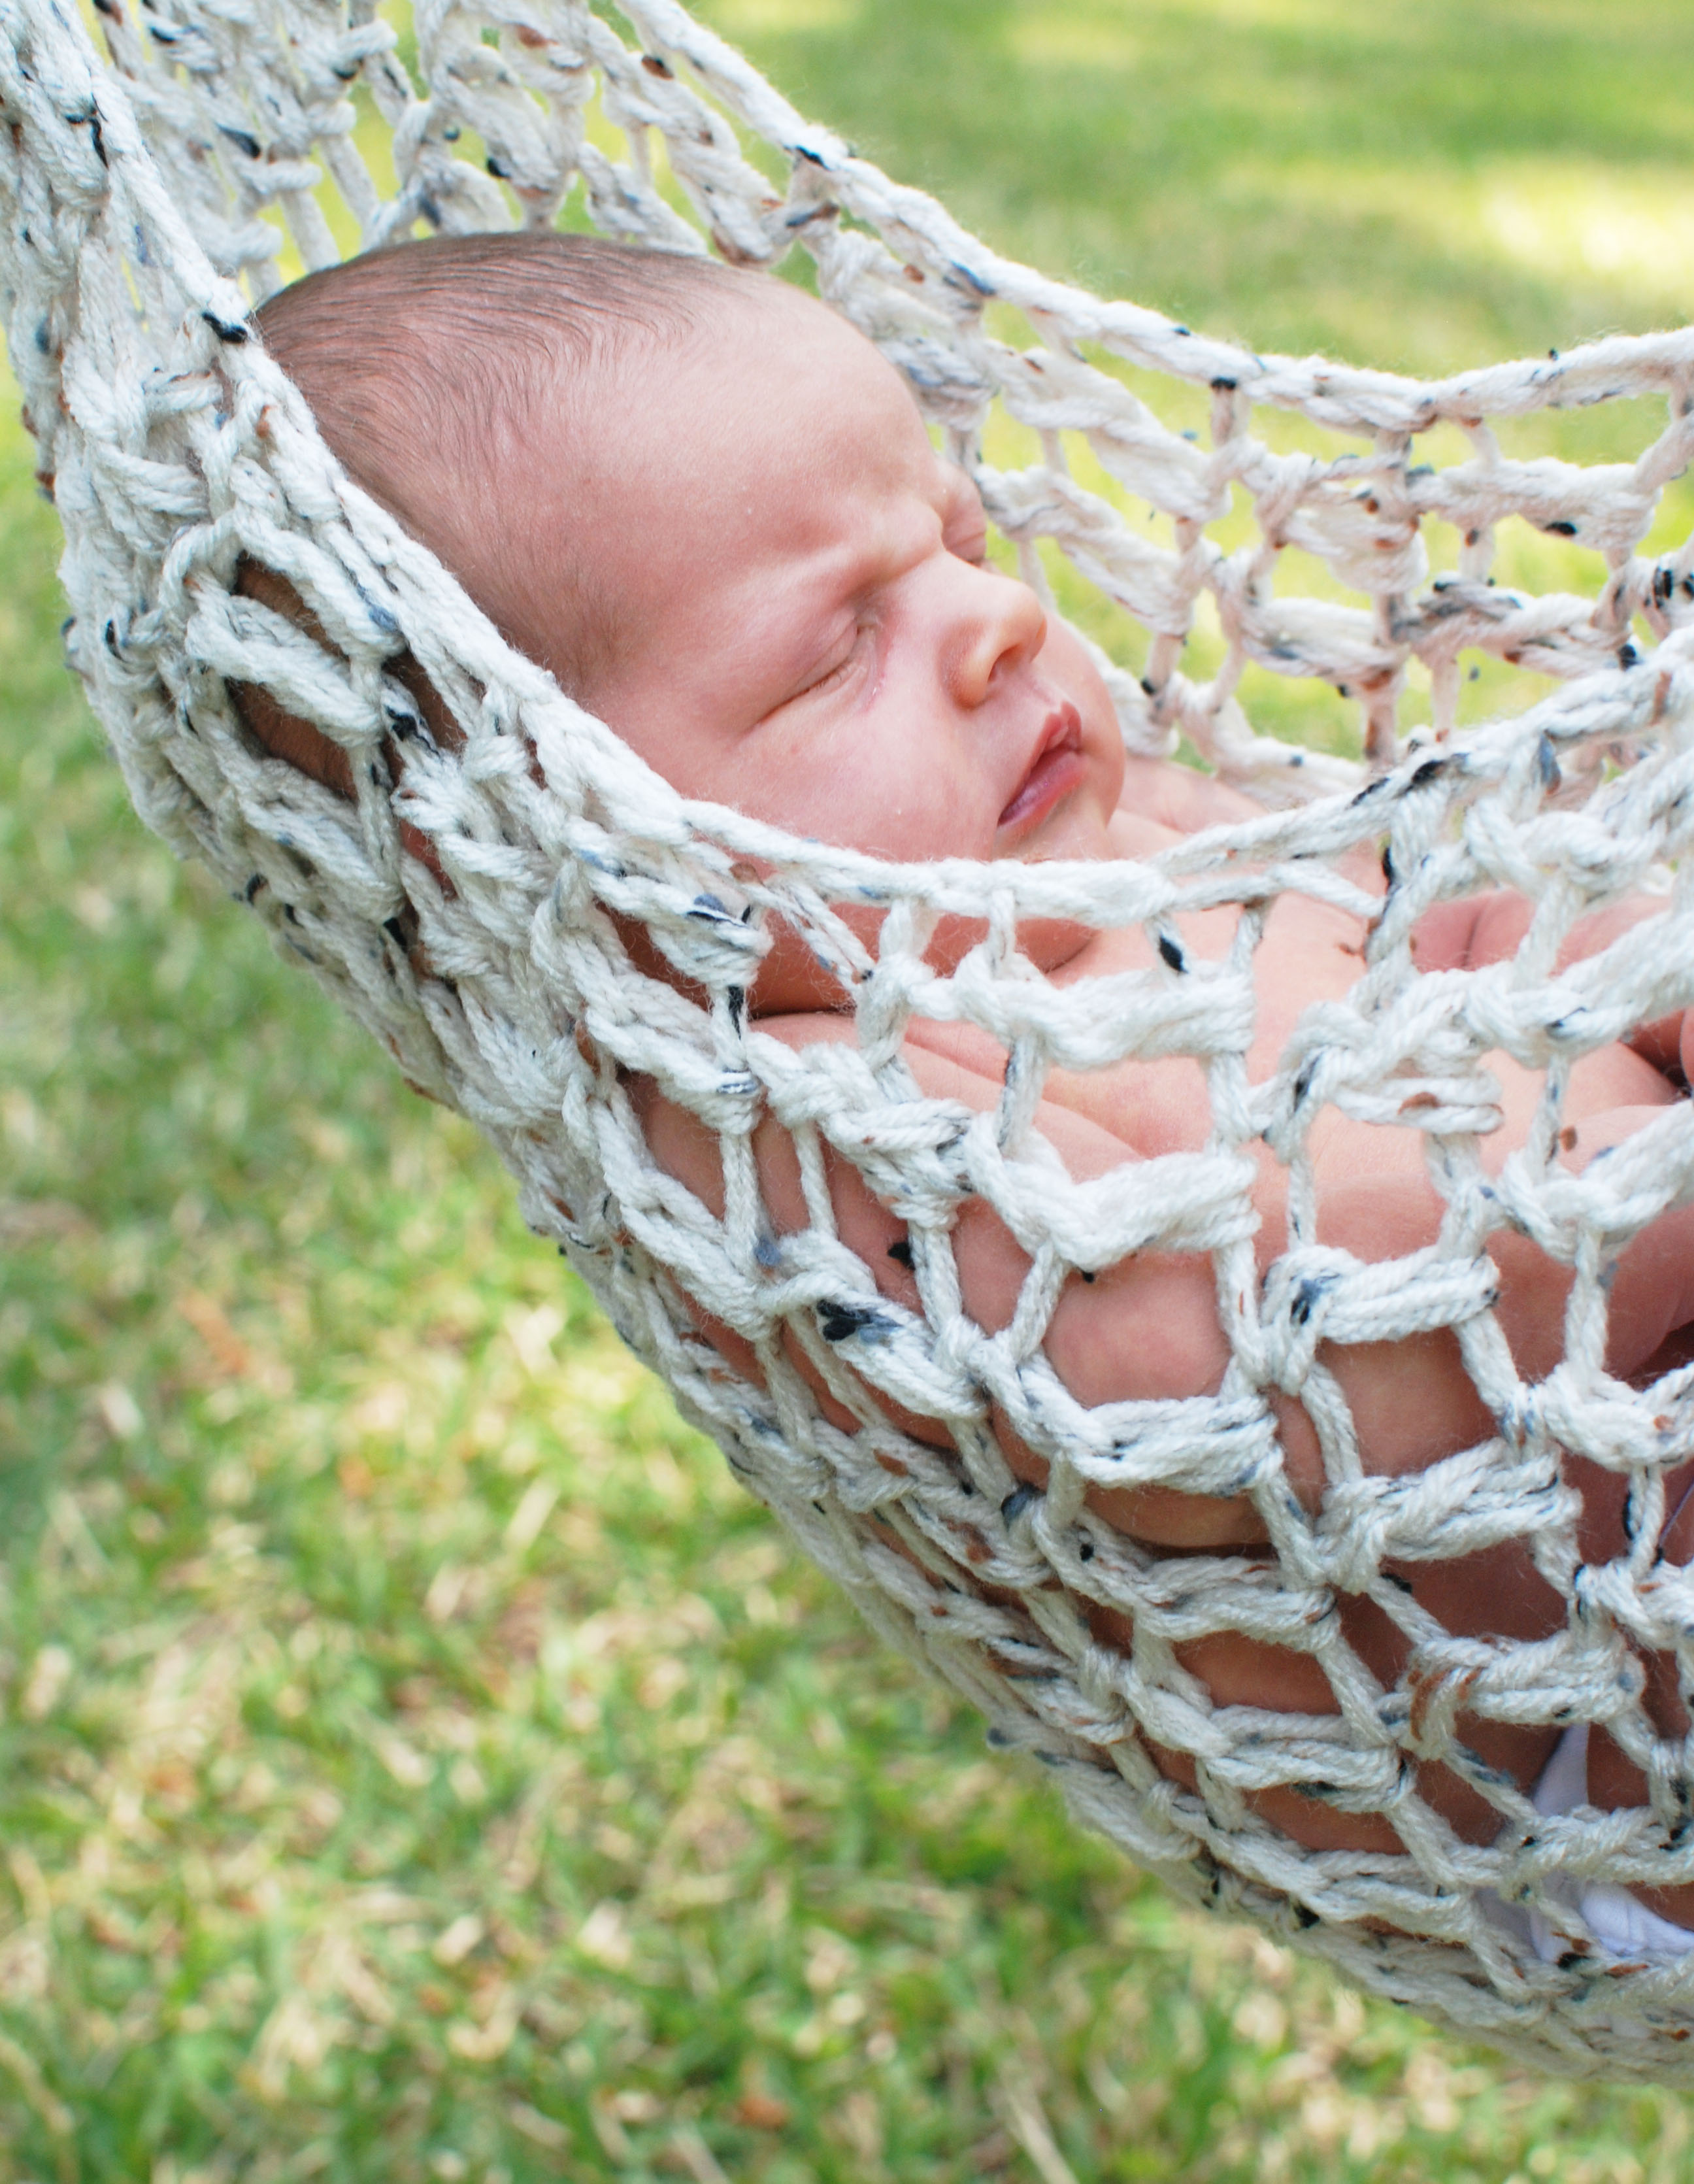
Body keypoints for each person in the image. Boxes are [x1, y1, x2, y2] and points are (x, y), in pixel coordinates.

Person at [239, 231, 1694, 1936]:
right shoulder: (788, 1115)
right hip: (1585, 1701)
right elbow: (1191, 1377)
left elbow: (1458, 922)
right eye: (836, 649)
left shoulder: (1130, 836)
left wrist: (1619, 952)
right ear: (574, 842)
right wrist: (1639, 1193)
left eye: (960, 542)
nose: (999, 622)